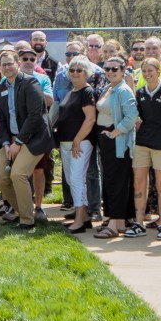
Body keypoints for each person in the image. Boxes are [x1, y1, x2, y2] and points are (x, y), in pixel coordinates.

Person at [0, 46, 54, 229]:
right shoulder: (0, 89)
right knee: (1, 178)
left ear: (18, 64)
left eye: (10, 63)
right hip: (11, 140)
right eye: (3, 65)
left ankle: (27, 220)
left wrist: (18, 142)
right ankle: (22, 210)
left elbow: (35, 115)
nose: (7, 68)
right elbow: (2, 121)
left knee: (18, 174)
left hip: (34, 139)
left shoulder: (30, 83)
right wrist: (6, 143)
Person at [131, 57, 161, 237]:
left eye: (151, 70)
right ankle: (138, 222)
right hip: (142, 143)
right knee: (139, 183)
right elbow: (139, 117)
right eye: (144, 71)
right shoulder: (140, 92)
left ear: (159, 71)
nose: (147, 74)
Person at [93, 58, 139, 238]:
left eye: (114, 69)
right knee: (112, 181)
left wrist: (113, 133)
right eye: (107, 69)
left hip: (118, 143)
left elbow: (132, 116)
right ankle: (119, 221)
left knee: (116, 182)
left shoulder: (123, 90)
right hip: (106, 142)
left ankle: (113, 224)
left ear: (122, 71)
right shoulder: (109, 88)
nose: (110, 71)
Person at [54, 58, 97, 232]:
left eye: (79, 70)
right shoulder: (72, 91)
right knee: (72, 179)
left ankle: (79, 220)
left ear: (87, 73)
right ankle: (84, 216)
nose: (75, 73)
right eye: (72, 70)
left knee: (77, 179)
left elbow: (90, 118)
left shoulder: (87, 92)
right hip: (66, 143)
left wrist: (77, 140)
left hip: (80, 143)